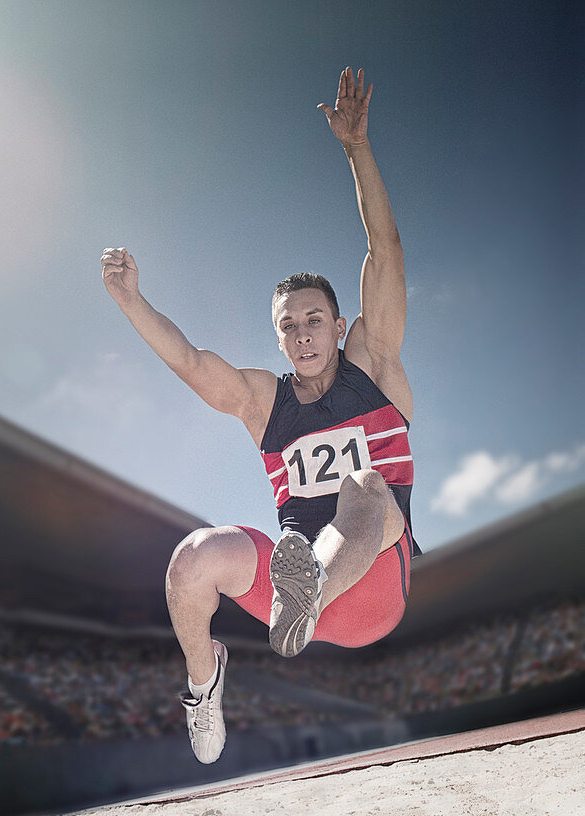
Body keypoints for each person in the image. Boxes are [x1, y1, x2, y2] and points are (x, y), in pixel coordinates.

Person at [101, 65, 420, 765]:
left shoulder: (375, 366)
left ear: (339, 326)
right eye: (288, 325)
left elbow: (384, 252)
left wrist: (356, 149)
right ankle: (201, 682)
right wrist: (129, 300)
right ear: (277, 336)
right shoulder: (262, 401)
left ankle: (302, 600)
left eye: (314, 320)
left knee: (365, 488)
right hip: (291, 575)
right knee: (192, 559)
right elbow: (189, 361)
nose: (302, 334)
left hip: (369, 587)